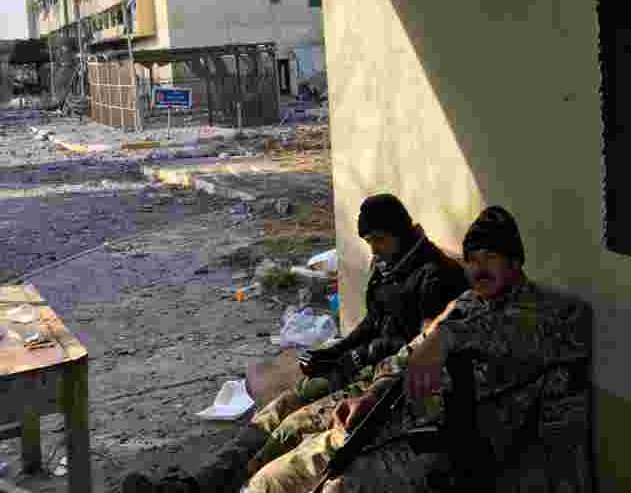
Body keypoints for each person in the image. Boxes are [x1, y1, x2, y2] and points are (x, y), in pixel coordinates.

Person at [122, 194, 468, 493]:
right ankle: (200, 484)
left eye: (379, 239)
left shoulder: (435, 278)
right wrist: (334, 351)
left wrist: (356, 356)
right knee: (276, 410)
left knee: (291, 428)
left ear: (400, 231)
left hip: (379, 384)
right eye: (369, 242)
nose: (374, 249)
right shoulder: (391, 265)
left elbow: (414, 348)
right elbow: (373, 323)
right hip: (358, 368)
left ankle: (227, 483)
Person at [243, 205, 590, 493]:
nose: (479, 268)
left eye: (491, 257)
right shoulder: (467, 303)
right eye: (472, 259)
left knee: (338, 487)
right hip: (395, 416)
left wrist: (446, 339)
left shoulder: (556, 313)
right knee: (274, 478)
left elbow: (512, 335)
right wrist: (373, 392)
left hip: (456, 444)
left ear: (515, 262)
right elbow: (409, 354)